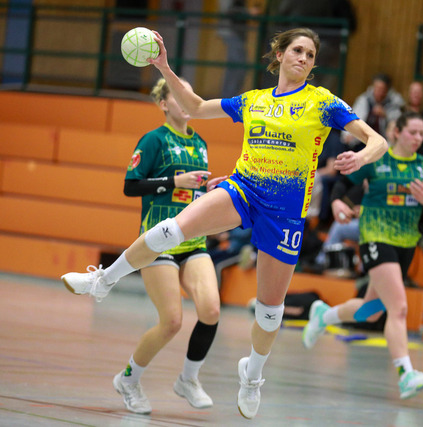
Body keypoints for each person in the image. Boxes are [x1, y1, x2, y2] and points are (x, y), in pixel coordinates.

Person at [61, 27, 388, 420]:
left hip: (284, 213)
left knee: (270, 312)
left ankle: (252, 375)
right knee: (172, 229)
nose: (304, 58)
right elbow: (197, 107)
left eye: (310, 55)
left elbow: (377, 140)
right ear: (280, 55)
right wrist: (163, 66)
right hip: (243, 188)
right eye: (297, 50)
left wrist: (361, 157)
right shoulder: (254, 100)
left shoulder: (322, 102)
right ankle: (103, 280)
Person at [88, 77, 223, 415]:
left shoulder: (200, 142)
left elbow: (193, 191)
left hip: (192, 240)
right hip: (157, 240)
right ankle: (128, 380)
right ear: (164, 104)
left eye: (189, 93)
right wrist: (173, 181)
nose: (185, 99)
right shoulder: (153, 140)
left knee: (211, 310)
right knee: (172, 321)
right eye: (177, 95)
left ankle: (188, 379)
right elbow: (131, 187)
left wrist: (208, 191)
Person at [302, 112, 423, 399]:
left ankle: (324, 315)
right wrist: (338, 202)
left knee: (372, 310)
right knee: (398, 308)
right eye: (412, 132)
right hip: (376, 237)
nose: (418, 138)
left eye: (422, 133)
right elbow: (343, 184)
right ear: (397, 132)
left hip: (406, 243)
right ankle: (406, 375)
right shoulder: (378, 159)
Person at [343, 73, 404, 146]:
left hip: (384, 142)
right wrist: (349, 134)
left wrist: (385, 115)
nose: (379, 92)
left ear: (387, 90)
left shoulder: (393, 102)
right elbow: (353, 117)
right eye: (376, 88)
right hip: (362, 140)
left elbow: (398, 123)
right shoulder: (364, 100)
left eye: (382, 89)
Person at [217, 0, 261, 98]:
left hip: (234, 31)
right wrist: (247, 12)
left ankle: (229, 97)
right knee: (238, 66)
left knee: (236, 66)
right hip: (231, 31)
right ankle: (228, 98)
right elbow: (228, 11)